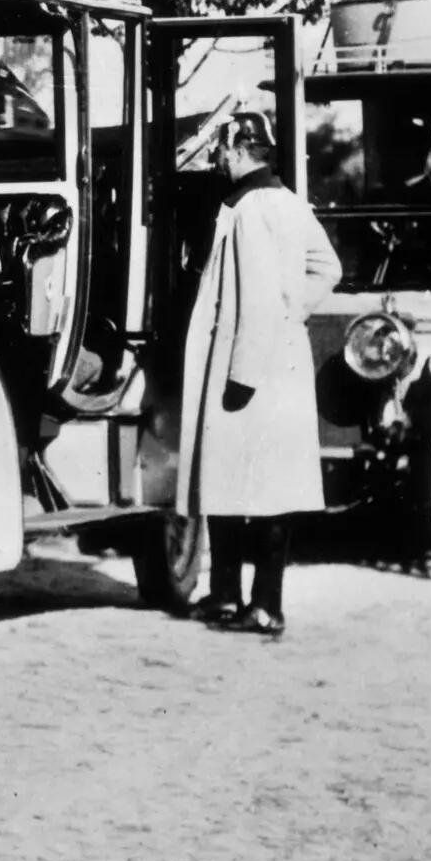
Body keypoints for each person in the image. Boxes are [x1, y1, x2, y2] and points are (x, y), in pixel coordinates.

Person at [175, 111, 342, 638]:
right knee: (265, 487)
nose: (220, 161)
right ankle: (236, 598)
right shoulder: (292, 204)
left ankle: (256, 603)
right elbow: (328, 268)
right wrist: (296, 311)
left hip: (245, 365)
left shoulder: (247, 210)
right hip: (282, 361)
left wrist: (243, 369)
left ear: (240, 150)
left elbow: (255, 291)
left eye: (223, 151)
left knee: (237, 483)